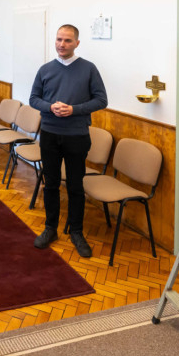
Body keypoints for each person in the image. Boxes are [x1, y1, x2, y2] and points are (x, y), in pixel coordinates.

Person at [29, 24, 107, 258]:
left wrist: (74, 109)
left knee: (75, 186)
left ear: (77, 43)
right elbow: (34, 99)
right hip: (50, 134)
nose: (61, 44)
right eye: (59, 39)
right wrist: (49, 107)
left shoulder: (88, 69)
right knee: (51, 183)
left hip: (77, 136)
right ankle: (50, 228)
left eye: (67, 40)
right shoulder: (45, 69)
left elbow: (101, 100)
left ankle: (76, 231)